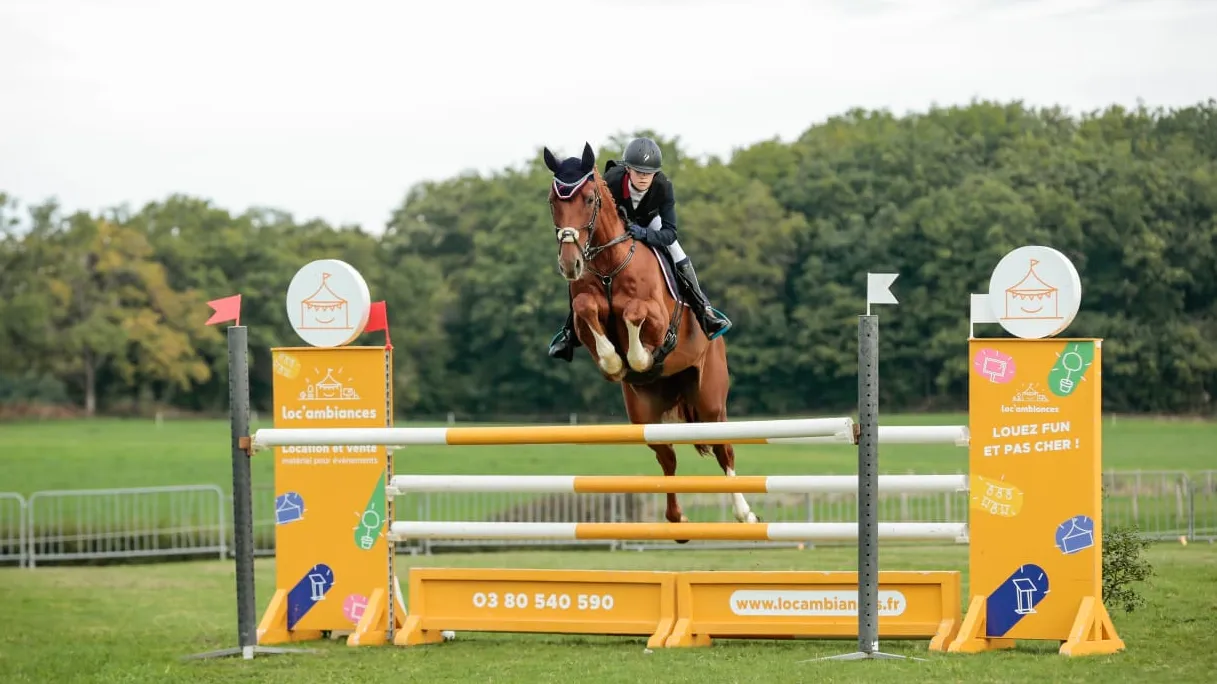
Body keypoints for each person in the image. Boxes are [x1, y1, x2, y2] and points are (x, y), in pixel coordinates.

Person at [548, 137, 732, 361]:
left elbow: (670, 232)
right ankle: (570, 331)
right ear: (627, 170)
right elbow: (599, 213)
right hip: (618, 225)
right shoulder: (613, 181)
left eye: (649, 173)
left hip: (651, 225)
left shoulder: (663, 187)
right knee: (582, 263)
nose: (644, 177)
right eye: (638, 172)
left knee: (677, 252)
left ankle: (704, 310)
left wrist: (644, 234)